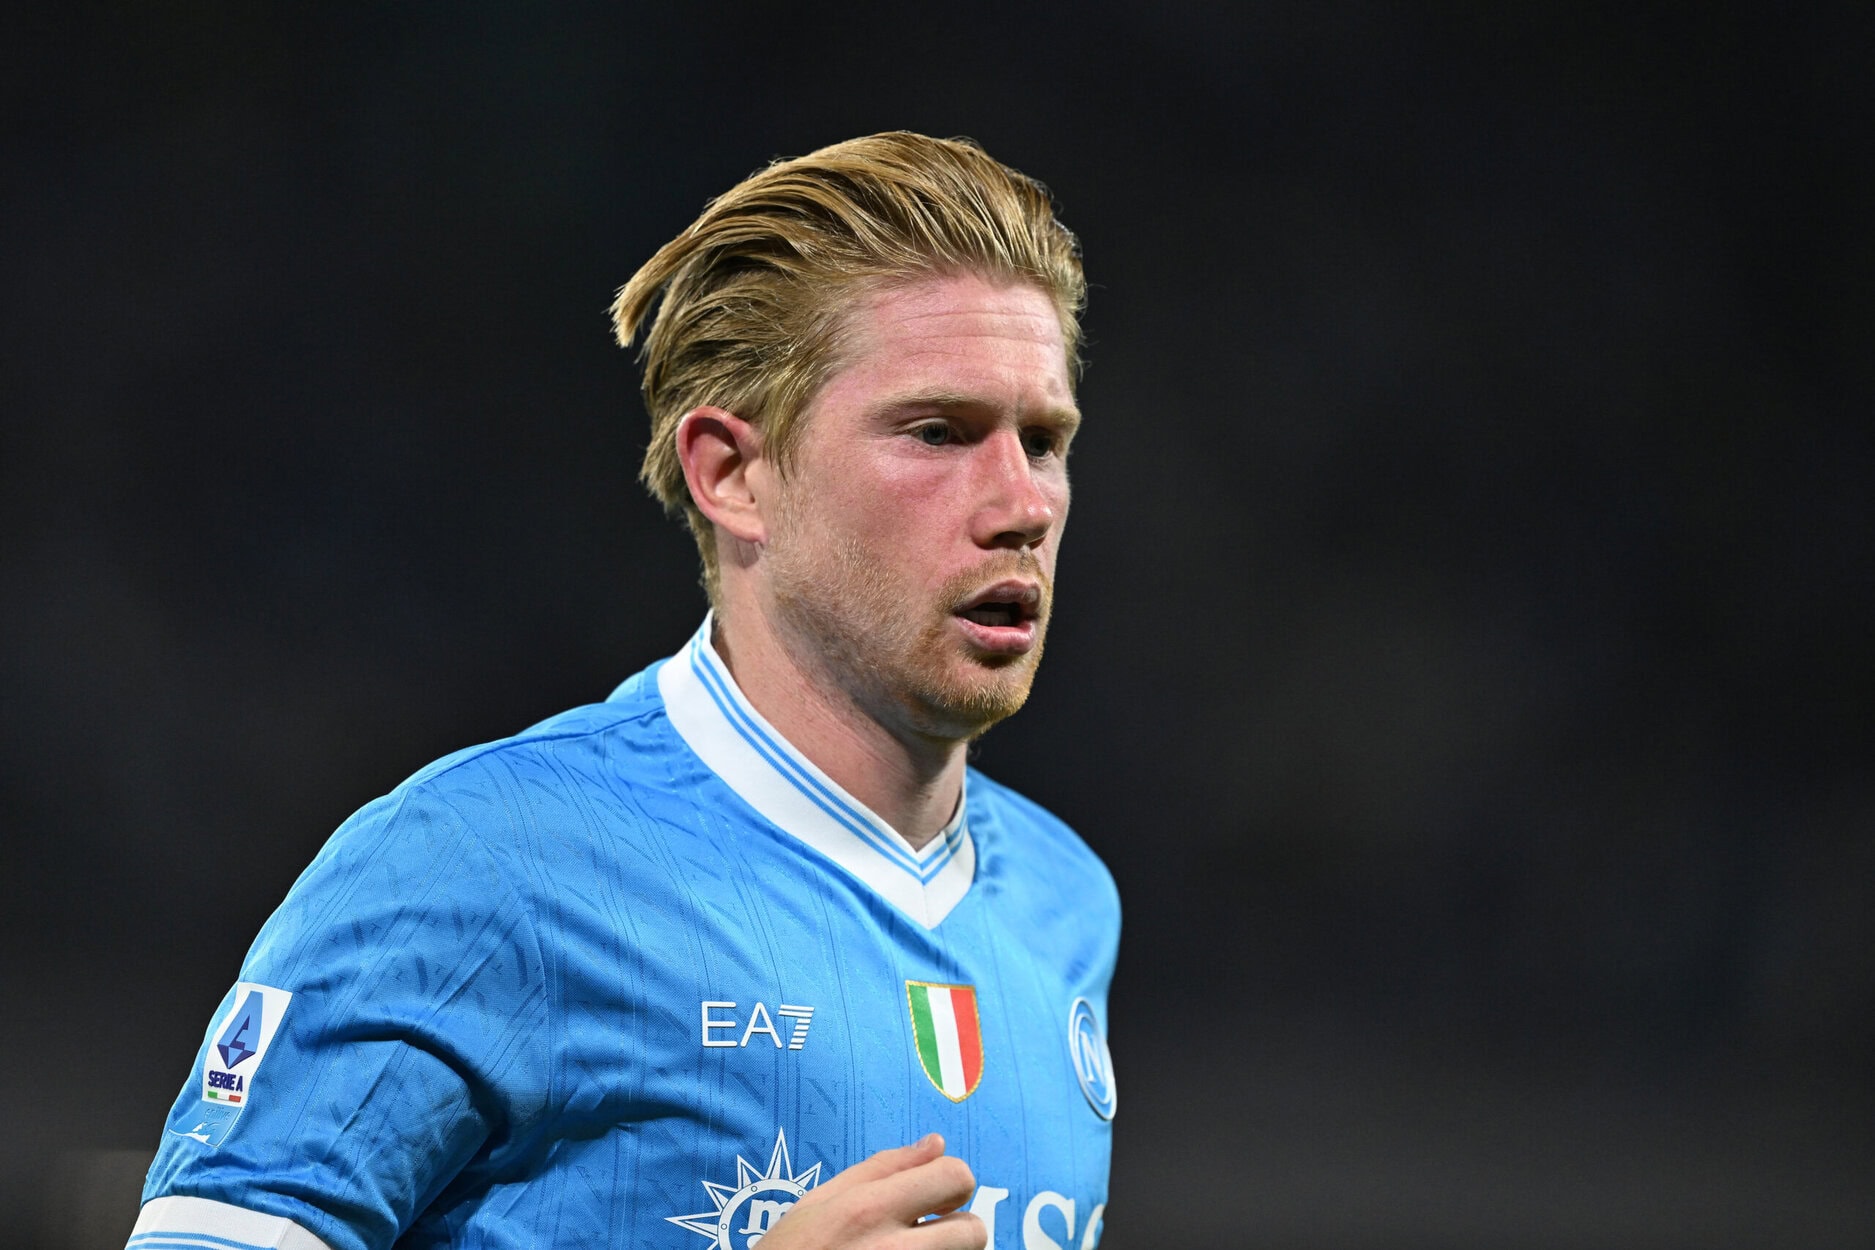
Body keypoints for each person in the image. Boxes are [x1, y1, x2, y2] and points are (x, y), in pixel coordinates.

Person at [130, 132, 1119, 1250]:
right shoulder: (480, 863)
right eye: (938, 432)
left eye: (1044, 440)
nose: (1022, 505)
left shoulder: (1066, 903)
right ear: (731, 474)